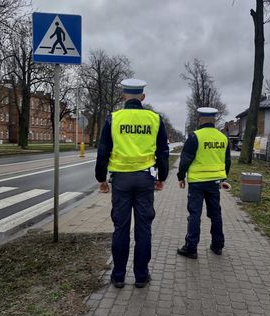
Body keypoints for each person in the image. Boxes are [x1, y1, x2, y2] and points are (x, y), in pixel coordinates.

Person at [95, 78, 169, 288]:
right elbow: (163, 152)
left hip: (120, 180)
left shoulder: (113, 118)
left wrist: (101, 179)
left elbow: (103, 152)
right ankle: (141, 276)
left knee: (121, 228)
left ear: (123, 96)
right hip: (145, 179)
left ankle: (118, 276)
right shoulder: (155, 119)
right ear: (143, 97)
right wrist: (162, 178)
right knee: (143, 229)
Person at [177, 107, 231, 259]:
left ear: (200, 119)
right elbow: (227, 161)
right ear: (214, 119)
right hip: (214, 183)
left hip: (197, 182)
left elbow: (185, 159)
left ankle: (191, 248)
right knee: (216, 214)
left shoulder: (195, 137)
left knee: (194, 214)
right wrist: (223, 178)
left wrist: (181, 177)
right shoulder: (222, 138)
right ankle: (217, 245)